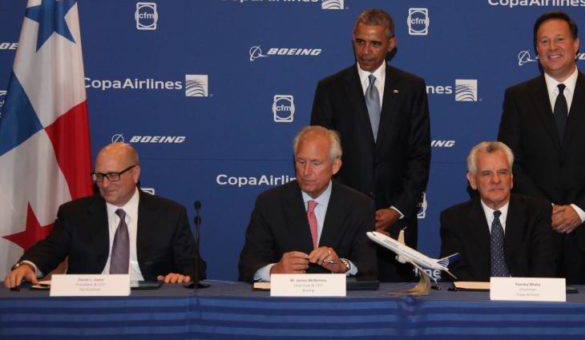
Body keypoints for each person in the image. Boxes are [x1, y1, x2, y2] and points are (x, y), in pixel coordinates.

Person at [497, 11, 585, 285]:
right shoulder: (517, 97)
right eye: (544, 41)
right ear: (536, 50)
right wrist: (549, 210)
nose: (552, 47)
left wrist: (578, 210)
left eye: (560, 39)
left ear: (576, 44)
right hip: (536, 230)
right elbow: (511, 162)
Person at [310, 8, 431, 281]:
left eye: (375, 43)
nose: (366, 51)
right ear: (352, 39)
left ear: (391, 44)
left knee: (398, 304)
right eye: (360, 42)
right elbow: (321, 158)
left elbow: (420, 154)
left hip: (396, 222)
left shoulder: (412, 87)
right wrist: (351, 210)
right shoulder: (330, 88)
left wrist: (397, 209)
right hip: (342, 220)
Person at [3, 142, 204, 289]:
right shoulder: (75, 213)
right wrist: (28, 265)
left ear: (135, 174)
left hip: (148, 301)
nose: (105, 184)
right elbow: (50, 248)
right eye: (99, 176)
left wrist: (182, 276)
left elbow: (195, 266)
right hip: (89, 301)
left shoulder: (169, 213)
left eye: (113, 175)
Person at [238, 125, 376, 282]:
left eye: (315, 163)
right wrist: (275, 270)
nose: (306, 172)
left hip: (338, 304)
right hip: (285, 303)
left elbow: (369, 267)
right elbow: (248, 265)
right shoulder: (270, 203)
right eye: (301, 161)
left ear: (335, 165)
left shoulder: (359, 206)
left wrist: (342, 266)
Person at [440, 141, 558, 281]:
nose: (496, 180)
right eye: (486, 173)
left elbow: (544, 268)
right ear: (472, 180)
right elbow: (455, 272)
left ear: (511, 179)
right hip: (477, 300)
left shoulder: (537, 212)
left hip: (525, 299)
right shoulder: (454, 219)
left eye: (502, 172)